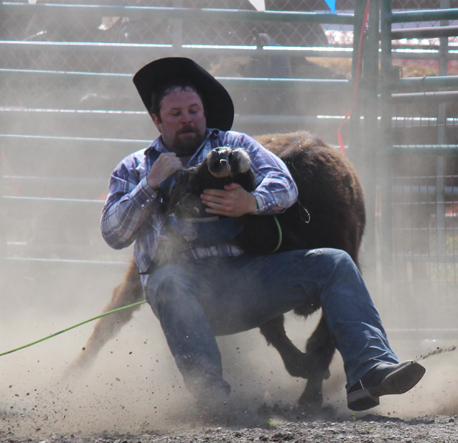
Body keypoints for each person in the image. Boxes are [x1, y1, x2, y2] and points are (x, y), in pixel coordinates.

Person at [101, 57, 425, 418]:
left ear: (204, 111)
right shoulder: (134, 168)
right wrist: (150, 185)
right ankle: (212, 397)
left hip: (248, 282)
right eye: (175, 113)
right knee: (170, 281)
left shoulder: (236, 145)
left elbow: (284, 183)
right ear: (157, 120)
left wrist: (250, 201)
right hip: (185, 294)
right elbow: (114, 233)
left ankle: (370, 368)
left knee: (335, 262)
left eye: (193, 109)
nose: (187, 119)